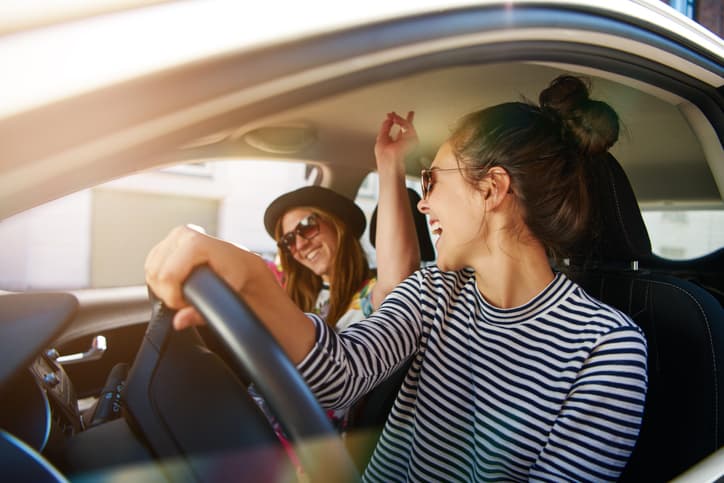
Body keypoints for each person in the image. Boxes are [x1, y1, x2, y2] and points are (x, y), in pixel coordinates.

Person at [146, 76, 648, 482]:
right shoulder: (436, 290)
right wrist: (253, 281)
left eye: (430, 180)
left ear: (492, 188)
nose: (423, 201)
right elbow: (339, 377)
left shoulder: (608, 350)